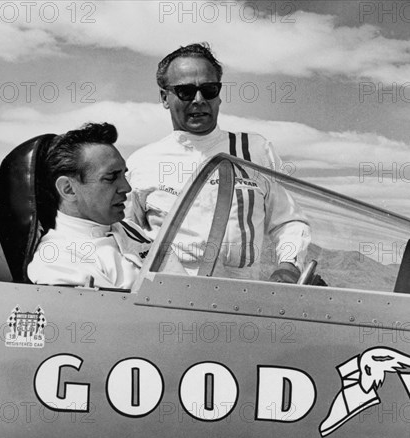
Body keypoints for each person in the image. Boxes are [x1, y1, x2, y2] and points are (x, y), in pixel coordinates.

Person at [126, 43, 311, 282]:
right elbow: (125, 233)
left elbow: (289, 220)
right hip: (165, 297)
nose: (199, 99)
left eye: (209, 89)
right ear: (164, 97)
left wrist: (289, 265)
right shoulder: (143, 162)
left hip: (240, 297)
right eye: (185, 91)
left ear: (219, 94)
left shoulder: (254, 151)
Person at [27, 123, 183, 289]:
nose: (127, 188)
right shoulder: (58, 262)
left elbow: (184, 287)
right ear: (69, 189)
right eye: (111, 178)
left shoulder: (129, 229)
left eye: (123, 174)